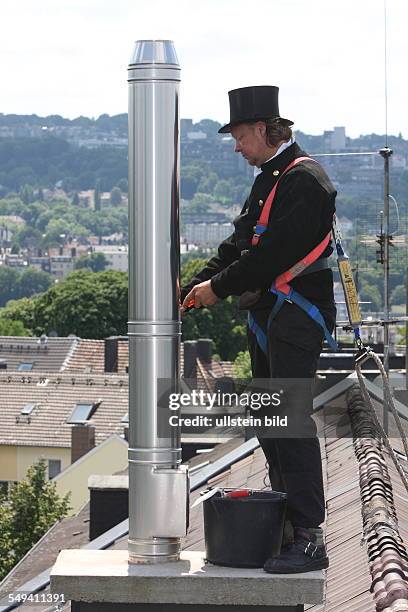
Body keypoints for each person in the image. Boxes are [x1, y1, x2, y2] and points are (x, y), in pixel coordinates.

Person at [181, 85, 336, 574]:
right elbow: (241, 241)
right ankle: (289, 523)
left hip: (295, 313)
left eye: (241, 135)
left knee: (289, 420)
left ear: (267, 131)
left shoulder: (305, 180)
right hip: (273, 314)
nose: (236, 146)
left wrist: (217, 289)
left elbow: (270, 256)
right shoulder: (273, 177)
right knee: (269, 421)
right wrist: (193, 286)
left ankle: (309, 536)